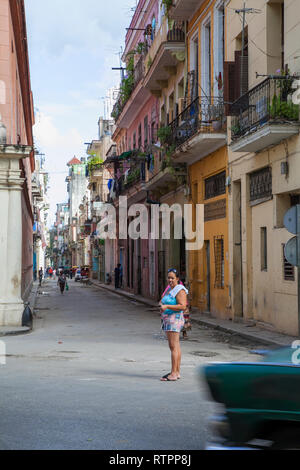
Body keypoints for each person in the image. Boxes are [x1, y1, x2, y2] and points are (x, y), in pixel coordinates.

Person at [159, 268, 188, 382]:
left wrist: (167, 307)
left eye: (172, 278)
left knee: (173, 346)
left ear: (177, 279)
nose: (170, 280)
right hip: (169, 320)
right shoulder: (171, 289)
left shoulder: (180, 290)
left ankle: (173, 373)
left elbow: (182, 306)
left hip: (174, 320)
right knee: (175, 346)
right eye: (169, 277)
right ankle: (176, 371)